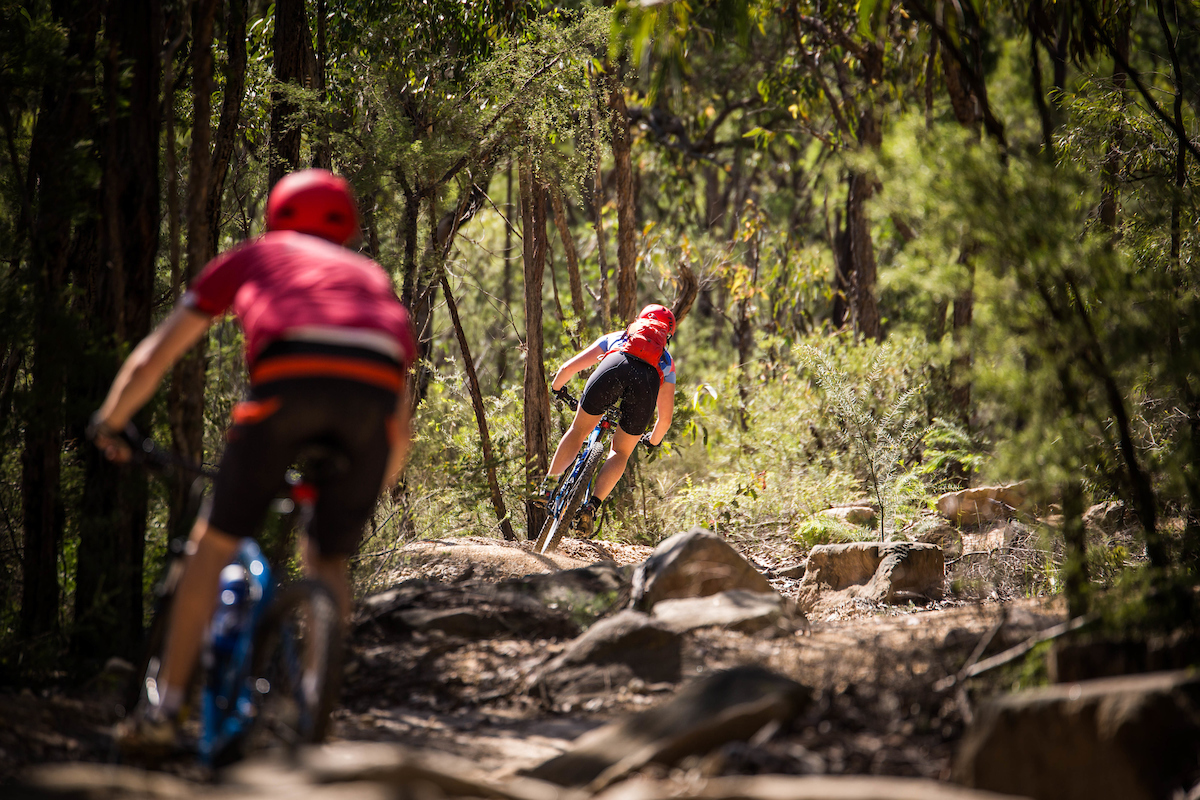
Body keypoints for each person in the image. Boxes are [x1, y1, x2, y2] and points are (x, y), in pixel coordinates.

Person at [88, 168, 416, 752]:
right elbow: (398, 409)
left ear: (277, 216)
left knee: (211, 548)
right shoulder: (371, 276)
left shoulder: (255, 255)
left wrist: (111, 420)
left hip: (285, 386)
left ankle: (164, 711)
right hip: (372, 404)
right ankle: (319, 704)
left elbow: (153, 358)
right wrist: (372, 479)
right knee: (328, 560)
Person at [535, 304, 677, 535]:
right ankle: (590, 508)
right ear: (667, 335)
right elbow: (665, 419)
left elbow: (567, 367)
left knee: (579, 431)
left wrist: (557, 388)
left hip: (615, 366)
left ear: (639, 321)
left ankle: (547, 487)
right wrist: (653, 440)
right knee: (621, 451)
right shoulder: (666, 361)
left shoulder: (618, 337)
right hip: (646, 385)